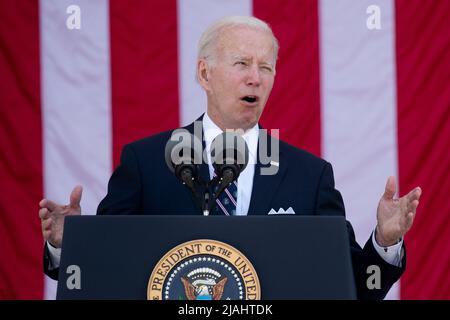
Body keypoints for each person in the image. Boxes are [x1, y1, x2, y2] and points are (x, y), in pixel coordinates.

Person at [39, 16, 421, 300]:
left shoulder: (309, 175)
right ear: (205, 74)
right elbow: (103, 271)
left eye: (266, 67)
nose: (255, 77)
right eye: (242, 64)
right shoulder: (147, 162)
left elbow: (351, 285)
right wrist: (70, 245)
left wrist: (385, 241)